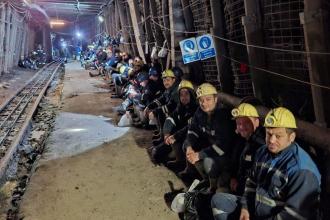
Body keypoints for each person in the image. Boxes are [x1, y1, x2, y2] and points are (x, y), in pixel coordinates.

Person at [211, 107, 321, 220]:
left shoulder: (302, 169)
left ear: (291, 137)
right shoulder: (262, 152)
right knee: (218, 200)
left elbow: (295, 216)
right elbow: (251, 183)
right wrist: (245, 207)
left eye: (278, 136)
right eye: (269, 134)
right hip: (258, 210)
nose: (271, 140)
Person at [184, 83, 236, 192]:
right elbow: (192, 130)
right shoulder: (200, 112)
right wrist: (189, 147)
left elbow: (222, 147)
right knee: (187, 146)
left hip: (226, 154)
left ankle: (213, 186)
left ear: (215, 99)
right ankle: (207, 179)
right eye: (201, 100)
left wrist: (199, 155)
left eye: (208, 99)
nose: (204, 103)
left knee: (207, 161)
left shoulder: (222, 115)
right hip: (211, 146)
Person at [229, 103, 265, 196]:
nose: (241, 127)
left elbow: (258, 179)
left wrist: (239, 187)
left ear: (257, 122)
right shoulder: (242, 139)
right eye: (238, 123)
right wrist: (233, 177)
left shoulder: (261, 145)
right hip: (239, 183)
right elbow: (234, 160)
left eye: (246, 123)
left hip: (252, 195)